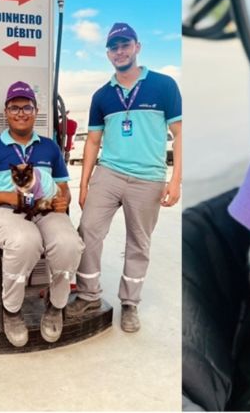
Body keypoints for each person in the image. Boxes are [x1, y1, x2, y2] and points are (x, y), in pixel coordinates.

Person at [68, 22, 182, 332]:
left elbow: (179, 133)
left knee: (138, 243)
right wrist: (84, 183)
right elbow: (92, 141)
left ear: (137, 47)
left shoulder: (164, 85)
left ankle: (130, 303)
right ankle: (89, 294)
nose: (120, 51)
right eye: (114, 47)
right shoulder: (102, 95)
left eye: (125, 44)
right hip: (110, 173)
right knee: (88, 229)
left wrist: (175, 180)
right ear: (108, 53)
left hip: (149, 178)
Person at [0, 81, 84, 346]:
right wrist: (8, 196)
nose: (21, 112)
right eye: (15, 107)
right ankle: (12, 310)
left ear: (36, 110)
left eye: (27, 107)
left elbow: (64, 188)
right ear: (6, 111)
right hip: (5, 211)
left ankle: (55, 307)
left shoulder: (50, 147)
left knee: (68, 244)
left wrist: (62, 202)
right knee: (25, 241)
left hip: (44, 209)